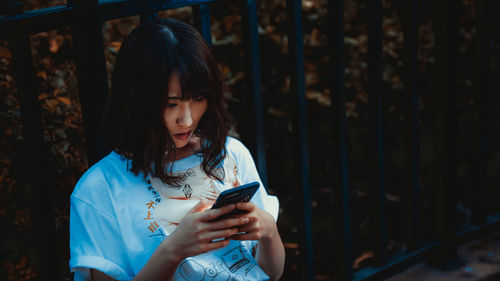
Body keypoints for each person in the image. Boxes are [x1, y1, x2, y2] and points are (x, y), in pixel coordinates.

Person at [69, 18, 285, 281]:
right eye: (171, 104)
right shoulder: (98, 189)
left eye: (197, 99)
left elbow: (271, 273)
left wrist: (270, 232)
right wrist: (173, 250)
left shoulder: (230, 153)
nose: (187, 119)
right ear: (136, 101)